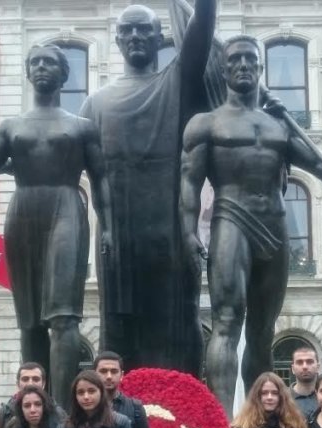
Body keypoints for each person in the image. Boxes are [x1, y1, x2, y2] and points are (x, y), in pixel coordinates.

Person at [186, 35, 322, 413]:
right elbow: (188, 183)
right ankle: (221, 423)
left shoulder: (280, 126)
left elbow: (319, 164)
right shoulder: (206, 124)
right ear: (223, 69)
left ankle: (260, 418)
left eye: (250, 59)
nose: (242, 65)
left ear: (260, 68)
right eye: (235, 59)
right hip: (231, 219)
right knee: (226, 321)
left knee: (262, 329)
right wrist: (189, 232)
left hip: (274, 224)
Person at [0, 44, 112, 400]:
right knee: (29, 320)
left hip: (66, 208)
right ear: (28, 73)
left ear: (64, 74)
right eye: (36, 62)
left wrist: (109, 227)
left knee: (64, 316)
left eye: (50, 62)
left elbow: (101, 179)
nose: (42, 67)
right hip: (23, 213)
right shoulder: (11, 126)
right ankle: (36, 405)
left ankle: (63, 409)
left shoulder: (82, 127)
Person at [80, 0, 217, 375]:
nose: (136, 36)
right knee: (119, 335)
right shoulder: (95, 104)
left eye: (144, 29)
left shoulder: (178, 82)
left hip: (171, 233)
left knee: (180, 326)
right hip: (118, 237)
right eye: (127, 30)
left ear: (160, 38)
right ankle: (121, 407)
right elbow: (66, 161)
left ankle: (183, 406)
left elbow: (202, 29)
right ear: (117, 40)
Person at [290, 344, 321, 418]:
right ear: (293, 369)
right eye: (299, 362)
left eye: (309, 362)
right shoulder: (283, 398)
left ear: (318, 367)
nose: (305, 366)